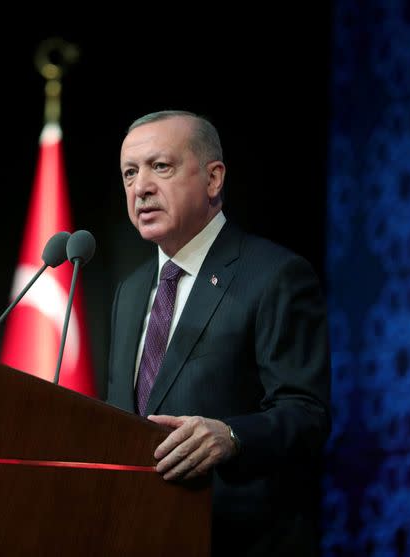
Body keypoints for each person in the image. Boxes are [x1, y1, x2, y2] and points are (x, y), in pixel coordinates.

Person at [106, 110, 331, 557]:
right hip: (140, 534)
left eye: (160, 166)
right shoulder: (129, 293)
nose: (141, 187)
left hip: (240, 540)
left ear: (213, 178)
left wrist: (231, 436)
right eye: (130, 173)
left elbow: (308, 414)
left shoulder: (274, 275)